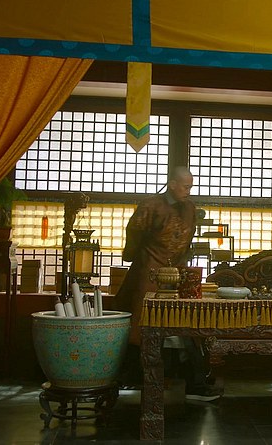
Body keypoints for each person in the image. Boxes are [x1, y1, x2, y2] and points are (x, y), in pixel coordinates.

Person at [114, 166, 222, 401]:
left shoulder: (190, 208)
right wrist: (134, 255)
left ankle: (194, 381)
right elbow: (134, 232)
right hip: (150, 268)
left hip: (178, 269)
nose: (188, 191)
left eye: (191, 187)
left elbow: (188, 237)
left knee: (187, 320)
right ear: (172, 184)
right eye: (185, 186)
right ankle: (135, 376)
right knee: (142, 320)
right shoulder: (151, 205)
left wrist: (183, 265)